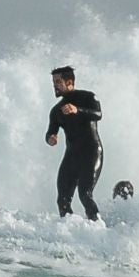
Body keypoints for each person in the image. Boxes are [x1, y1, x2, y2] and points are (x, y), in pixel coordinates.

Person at [44, 65, 103, 221]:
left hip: (91, 153)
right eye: (53, 82)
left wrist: (78, 110)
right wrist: (51, 138)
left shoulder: (88, 97)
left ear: (69, 82)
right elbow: (51, 131)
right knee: (62, 199)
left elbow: (98, 115)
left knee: (85, 194)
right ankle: (72, 231)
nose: (54, 85)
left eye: (58, 81)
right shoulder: (56, 110)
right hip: (72, 156)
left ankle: (97, 226)